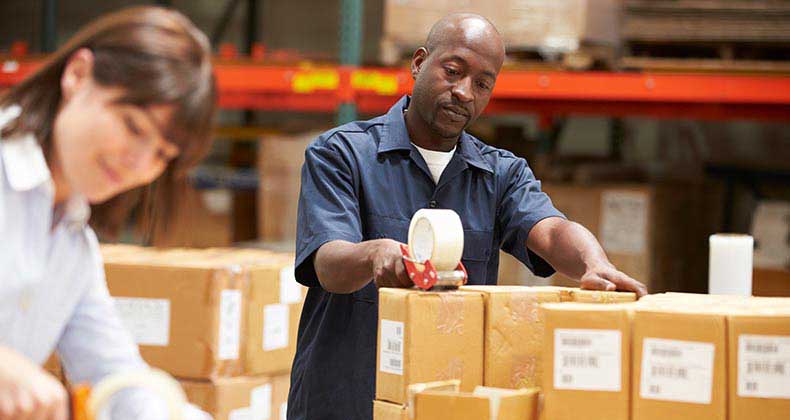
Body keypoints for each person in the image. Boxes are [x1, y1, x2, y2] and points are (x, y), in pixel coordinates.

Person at [287, 13, 648, 420]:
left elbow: (551, 230)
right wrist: (376, 254)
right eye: (453, 71)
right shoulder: (342, 154)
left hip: (447, 405)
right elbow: (328, 264)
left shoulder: (500, 174)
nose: (464, 92)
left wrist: (593, 263)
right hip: (344, 403)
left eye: (482, 84)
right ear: (420, 63)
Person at [0, 6, 216, 420]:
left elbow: (116, 377)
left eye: (161, 155)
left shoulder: (72, 241)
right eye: (133, 127)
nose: (139, 163)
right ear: (77, 75)